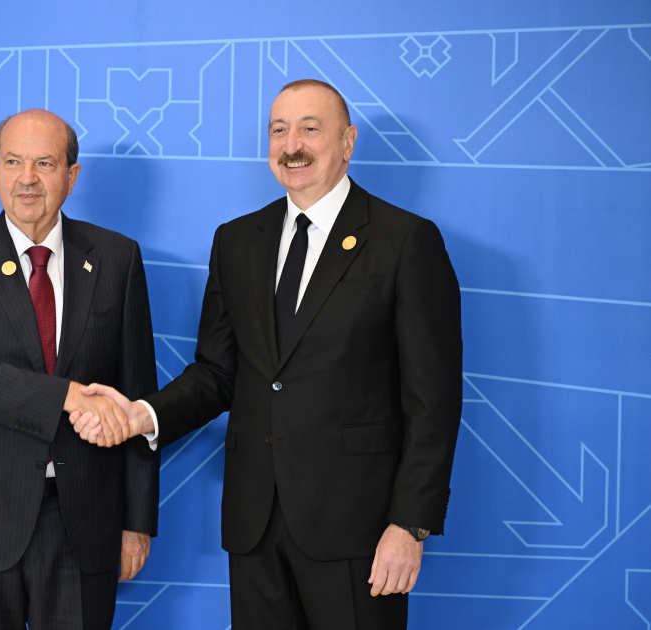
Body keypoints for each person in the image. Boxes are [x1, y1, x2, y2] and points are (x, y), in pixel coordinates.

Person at [71, 80, 462, 629]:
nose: (291, 144)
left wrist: (410, 525)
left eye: (310, 129)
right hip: (255, 522)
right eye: (279, 130)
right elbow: (217, 372)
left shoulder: (405, 240)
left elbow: (433, 401)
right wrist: (144, 415)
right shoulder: (237, 241)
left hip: (359, 527)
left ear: (347, 142)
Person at [0, 109, 160, 630]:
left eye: (45, 163)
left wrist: (136, 521)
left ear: (72, 175)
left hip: (83, 522)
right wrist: (68, 396)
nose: (27, 178)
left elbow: (136, 395)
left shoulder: (117, 258)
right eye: (13, 162)